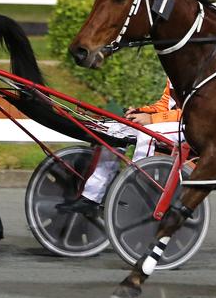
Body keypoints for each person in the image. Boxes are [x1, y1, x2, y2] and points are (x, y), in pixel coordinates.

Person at [56, 80, 182, 215]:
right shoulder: (176, 67)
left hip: (189, 125)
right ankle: (92, 197)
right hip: (169, 121)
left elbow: (194, 111)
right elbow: (165, 104)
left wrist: (153, 119)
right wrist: (141, 111)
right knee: (116, 130)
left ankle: (136, 194)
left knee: (147, 134)